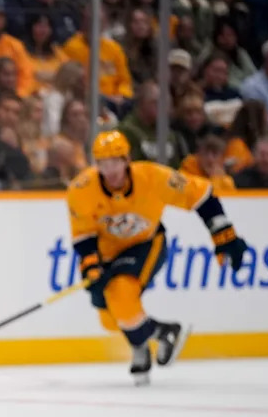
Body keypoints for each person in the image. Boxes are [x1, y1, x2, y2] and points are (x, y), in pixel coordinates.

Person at [67, 131, 247, 385]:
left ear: (127, 159)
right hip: (108, 253)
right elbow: (83, 236)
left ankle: (140, 349)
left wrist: (224, 234)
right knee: (110, 319)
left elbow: (200, 194)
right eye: (103, 163)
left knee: (121, 292)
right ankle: (163, 332)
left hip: (146, 243)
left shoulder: (152, 177)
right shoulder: (81, 189)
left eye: (115, 161)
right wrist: (90, 266)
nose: (110, 170)